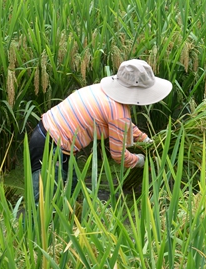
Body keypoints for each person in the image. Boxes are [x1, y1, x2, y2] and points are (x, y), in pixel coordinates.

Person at [27, 59, 172, 203]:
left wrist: (144, 139)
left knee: (69, 191)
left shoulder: (101, 91)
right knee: (44, 204)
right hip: (51, 149)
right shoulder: (118, 112)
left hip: (44, 135)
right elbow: (118, 155)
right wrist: (140, 161)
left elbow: (124, 124)